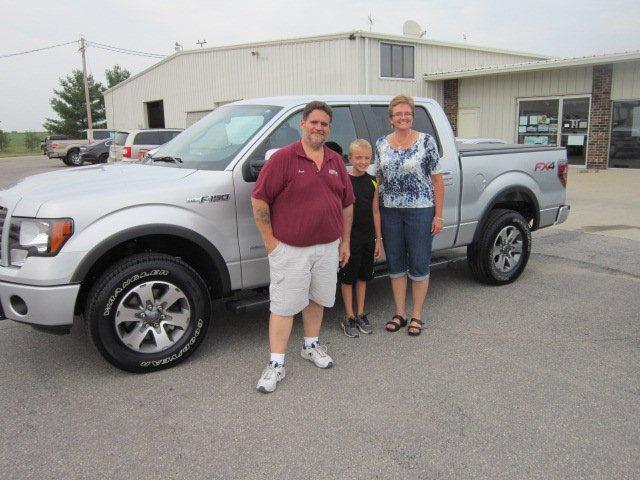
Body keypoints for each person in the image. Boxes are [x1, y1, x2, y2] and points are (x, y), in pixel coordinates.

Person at [251, 100, 355, 393]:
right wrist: (271, 243)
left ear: (329, 128)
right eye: (314, 122)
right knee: (284, 306)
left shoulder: (335, 160)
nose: (319, 128)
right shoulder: (284, 159)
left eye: (324, 124)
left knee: (317, 299)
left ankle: (310, 346)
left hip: (327, 247)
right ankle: (276, 364)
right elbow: (260, 201)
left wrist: (344, 241)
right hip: (290, 249)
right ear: (303, 124)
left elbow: (347, 205)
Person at [374, 94, 444, 336]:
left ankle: (417, 315)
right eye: (398, 114)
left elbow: (437, 180)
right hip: (390, 210)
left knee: (419, 261)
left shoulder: (426, 141)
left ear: (412, 116)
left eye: (407, 113)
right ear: (391, 118)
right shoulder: (381, 143)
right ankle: (399, 313)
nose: (403, 117)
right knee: (395, 263)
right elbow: (378, 179)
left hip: (421, 210)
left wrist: (438, 215)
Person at [339, 139, 382, 337]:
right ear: (350, 158)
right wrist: (342, 241)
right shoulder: (344, 181)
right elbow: (340, 212)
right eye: (358, 158)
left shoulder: (373, 181)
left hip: (367, 237)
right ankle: (348, 316)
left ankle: (361, 313)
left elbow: (375, 211)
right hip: (350, 239)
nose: (363, 161)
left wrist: (378, 239)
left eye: (367, 158)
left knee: (364, 277)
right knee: (349, 278)